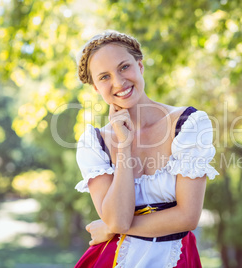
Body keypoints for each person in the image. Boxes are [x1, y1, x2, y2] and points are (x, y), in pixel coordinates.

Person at [74, 30, 219, 268]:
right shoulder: (93, 142)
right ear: (95, 88)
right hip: (113, 259)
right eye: (104, 77)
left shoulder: (188, 123)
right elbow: (117, 219)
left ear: (140, 66)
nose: (119, 83)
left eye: (124, 67)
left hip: (177, 257)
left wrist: (111, 229)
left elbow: (188, 217)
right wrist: (124, 145)